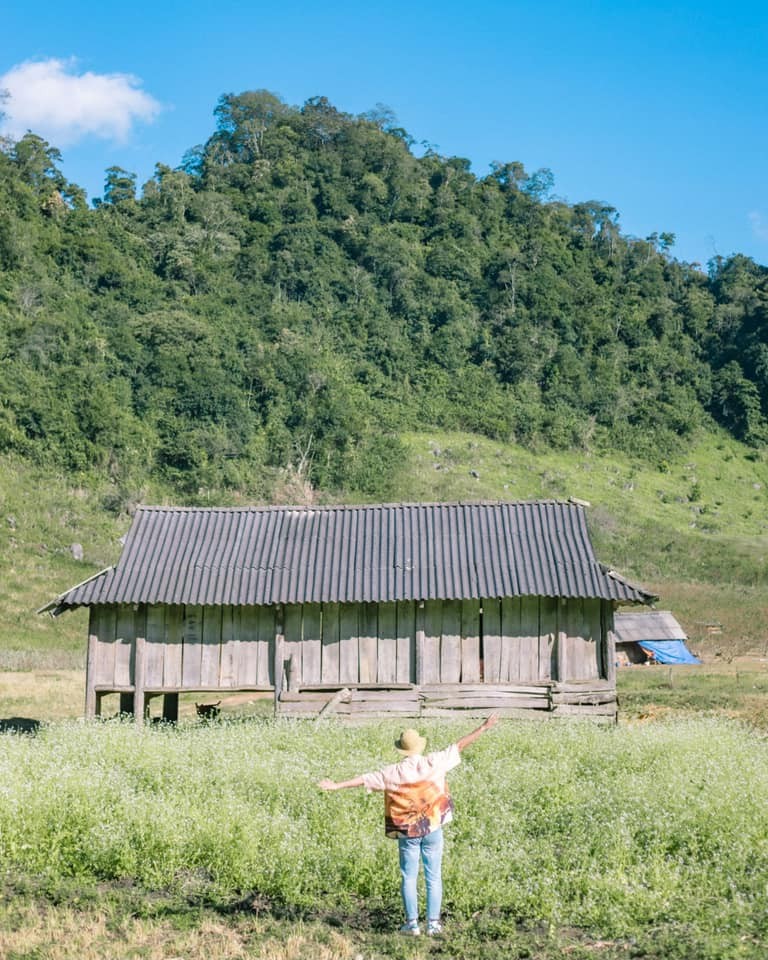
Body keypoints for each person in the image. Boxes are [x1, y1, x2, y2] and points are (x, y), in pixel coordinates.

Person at [318, 713, 499, 937]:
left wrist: (336, 785)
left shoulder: (391, 772)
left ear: (401, 750)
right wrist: (483, 727)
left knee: (409, 877)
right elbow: (459, 746)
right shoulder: (434, 762)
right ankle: (433, 924)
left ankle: (412, 924)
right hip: (433, 828)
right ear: (419, 747)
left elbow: (364, 779)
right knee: (434, 876)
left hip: (407, 832)